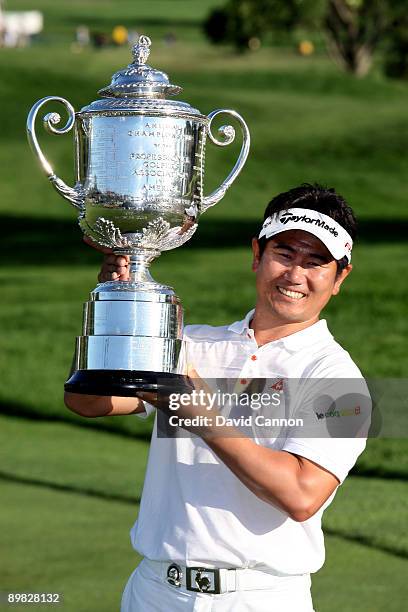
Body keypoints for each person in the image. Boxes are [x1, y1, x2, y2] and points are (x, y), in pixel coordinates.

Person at [65, 183, 371, 611]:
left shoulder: (339, 378)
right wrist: (118, 311)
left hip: (260, 599)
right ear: (256, 255)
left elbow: (302, 495)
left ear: (340, 278)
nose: (295, 275)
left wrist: (198, 411)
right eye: (284, 254)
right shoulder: (191, 344)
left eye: (316, 262)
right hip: (155, 591)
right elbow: (89, 402)